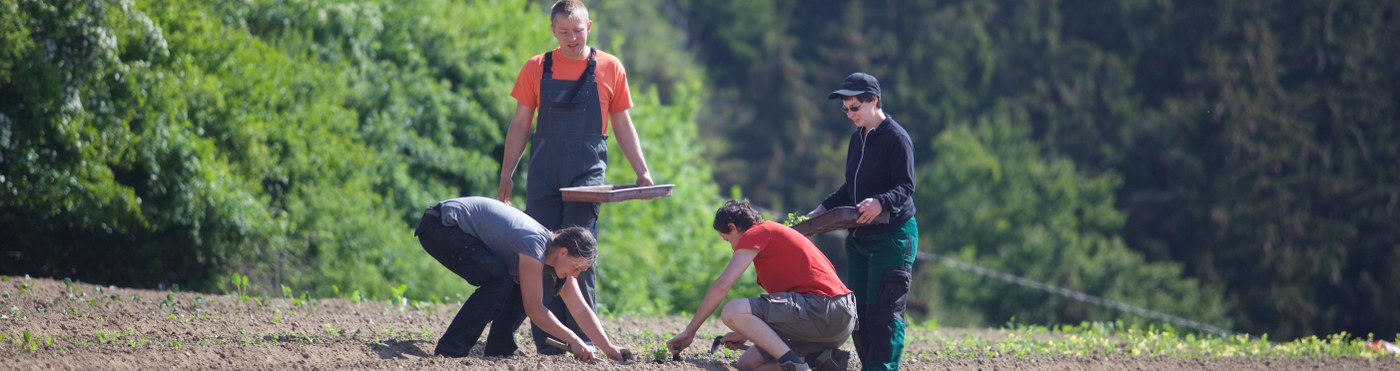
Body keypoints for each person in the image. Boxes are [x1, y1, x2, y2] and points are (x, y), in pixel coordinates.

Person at [496, 0, 653, 354]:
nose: (571, 38)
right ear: (554, 31)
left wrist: (642, 171)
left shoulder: (611, 67)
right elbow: (521, 123)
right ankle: (550, 344)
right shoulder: (535, 67)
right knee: (540, 256)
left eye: (578, 30)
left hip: (587, 176)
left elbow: (623, 124)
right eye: (564, 31)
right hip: (544, 175)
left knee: (579, 257)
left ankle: (587, 341)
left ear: (590, 27)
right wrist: (508, 173)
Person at [414, 196, 626, 362]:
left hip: (448, 227)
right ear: (562, 252)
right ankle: (451, 350)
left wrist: (608, 348)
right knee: (499, 282)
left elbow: (580, 309)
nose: (577, 275)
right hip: (440, 226)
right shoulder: (534, 245)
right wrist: (573, 339)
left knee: (517, 286)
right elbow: (535, 310)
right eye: (577, 267)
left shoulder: (552, 255)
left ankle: (500, 349)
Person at [809, 72, 918, 371]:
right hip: (859, 238)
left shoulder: (897, 138)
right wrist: (820, 211)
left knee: (884, 313)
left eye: (855, 107)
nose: (849, 114)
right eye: (845, 109)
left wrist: (881, 201)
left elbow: (906, 186)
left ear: (874, 101)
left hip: (893, 236)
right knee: (858, 314)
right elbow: (849, 189)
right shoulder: (857, 138)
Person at [667, 200, 856, 371]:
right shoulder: (772, 241)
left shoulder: (757, 232)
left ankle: (796, 366)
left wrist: (690, 331)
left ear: (733, 227)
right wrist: (745, 333)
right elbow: (788, 311)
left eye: (727, 239)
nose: (732, 248)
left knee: (732, 311)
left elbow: (722, 286)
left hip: (826, 310)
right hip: (835, 322)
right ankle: (821, 360)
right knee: (748, 365)